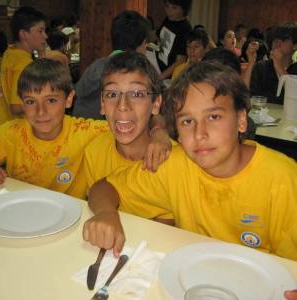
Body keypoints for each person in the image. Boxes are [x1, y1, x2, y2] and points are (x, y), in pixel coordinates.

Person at [83, 61, 297, 274]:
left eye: (213, 117)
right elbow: (105, 187)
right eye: (187, 121)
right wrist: (105, 213)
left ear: (241, 120)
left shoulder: (282, 179)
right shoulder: (175, 165)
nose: (199, 134)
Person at [0, 59, 171, 199]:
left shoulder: (85, 130)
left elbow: (135, 119)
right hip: (19, 211)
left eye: (51, 100)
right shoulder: (10, 133)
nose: (41, 111)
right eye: (30, 102)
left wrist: (159, 132)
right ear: (22, 102)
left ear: (69, 99)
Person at [83, 51, 173, 224]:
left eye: (137, 94)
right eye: (112, 94)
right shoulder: (94, 151)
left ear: (156, 104)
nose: (122, 106)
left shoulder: (170, 157)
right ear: (102, 104)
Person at [72, 10, 150, 120]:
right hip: (105, 129)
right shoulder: (138, 72)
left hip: (81, 126)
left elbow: (78, 92)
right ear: (142, 44)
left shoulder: (97, 65)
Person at [0, 6, 47, 126]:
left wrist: (41, 56)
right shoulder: (23, 63)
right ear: (24, 34)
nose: (45, 36)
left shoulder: (10, 52)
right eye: (40, 31)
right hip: (13, 128)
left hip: (2, 123)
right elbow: (16, 106)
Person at [250, 24, 297, 104]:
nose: (277, 42)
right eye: (275, 39)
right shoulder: (261, 67)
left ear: (295, 46)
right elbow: (252, 97)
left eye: (284, 39)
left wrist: (279, 66)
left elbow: (294, 97)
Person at [156, 0, 192, 80]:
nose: (169, 11)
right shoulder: (168, 19)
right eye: (167, 6)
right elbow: (157, 37)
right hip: (156, 64)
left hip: (167, 75)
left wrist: (160, 77)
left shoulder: (185, 29)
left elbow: (180, 61)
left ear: (183, 9)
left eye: (174, 8)